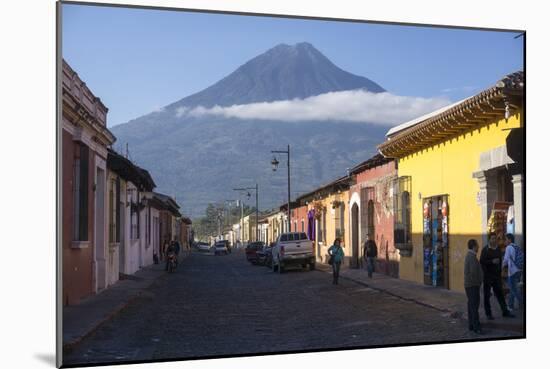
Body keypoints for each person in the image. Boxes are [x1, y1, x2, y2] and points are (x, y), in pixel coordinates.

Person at [480, 232, 514, 319]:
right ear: (489, 239)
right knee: (487, 296)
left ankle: (505, 312)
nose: (494, 240)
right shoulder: (485, 250)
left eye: (495, 238)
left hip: (497, 276)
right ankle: (488, 314)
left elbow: (500, 260)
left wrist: (500, 273)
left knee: (500, 295)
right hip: (488, 276)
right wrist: (491, 261)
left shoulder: (498, 249)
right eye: (492, 239)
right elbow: (482, 262)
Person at [464, 239, 483, 334]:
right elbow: (473, 273)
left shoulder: (471, 256)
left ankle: (471, 325)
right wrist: (478, 282)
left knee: (471, 305)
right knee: (474, 306)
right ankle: (476, 326)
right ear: (474, 246)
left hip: (471, 285)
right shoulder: (471, 256)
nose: (478, 247)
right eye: (477, 245)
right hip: (472, 285)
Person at [502, 233, 523, 311]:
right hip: (519, 270)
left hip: (513, 271)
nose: (505, 241)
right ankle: (510, 306)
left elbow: (506, 260)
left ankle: (522, 304)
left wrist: (501, 267)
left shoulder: (509, 247)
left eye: (506, 239)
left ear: (509, 240)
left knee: (514, 290)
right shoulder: (516, 246)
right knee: (513, 289)